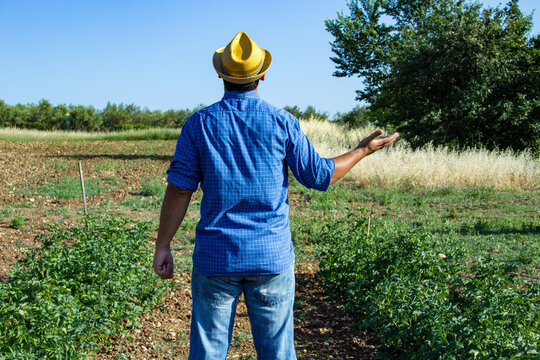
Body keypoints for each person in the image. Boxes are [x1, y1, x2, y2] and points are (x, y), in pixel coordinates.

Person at [153, 32, 399, 359]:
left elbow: (180, 188)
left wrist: (163, 244)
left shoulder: (198, 125)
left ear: (221, 75)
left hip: (216, 258)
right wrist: (361, 151)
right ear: (262, 75)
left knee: (208, 353)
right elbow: (319, 175)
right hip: (270, 257)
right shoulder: (283, 123)